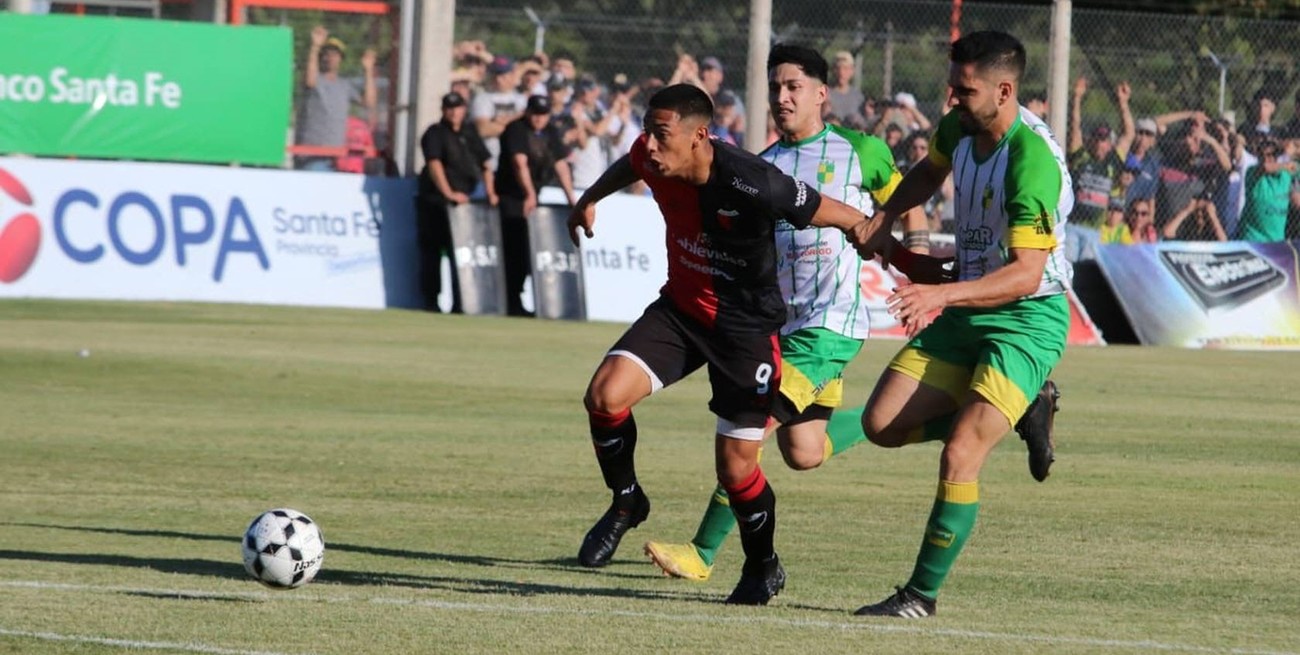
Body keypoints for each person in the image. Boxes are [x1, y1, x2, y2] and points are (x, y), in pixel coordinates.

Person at [566, 83, 882, 606]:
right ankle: (626, 501)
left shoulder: (751, 180)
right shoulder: (652, 156)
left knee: (737, 466)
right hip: (682, 312)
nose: (649, 145)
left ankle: (763, 567)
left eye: (661, 135)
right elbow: (630, 165)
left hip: (745, 331)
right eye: (647, 132)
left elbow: (831, 210)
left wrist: (874, 237)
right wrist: (588, 199)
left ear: (699, 137)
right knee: (604, 396)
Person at [639, 44, 940, 585]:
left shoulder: (861, 151)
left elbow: (902, 204)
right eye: (775, 87)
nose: (782, 97)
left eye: (793, 87)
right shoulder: (764, 166)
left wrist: (914, 268)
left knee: (748, 427)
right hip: (783, 325)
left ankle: (703, 552)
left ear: (822, 93)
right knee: (803, 451)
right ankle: (948, 416)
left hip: (831, 326)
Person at [846, 30, 1072, 618]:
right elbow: (927, 172)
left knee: (962, 453)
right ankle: (1021, 409)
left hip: (1025, 317)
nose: (952, 99)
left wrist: (941, 295)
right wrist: (885, 215)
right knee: (880, 424)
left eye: (964, 90)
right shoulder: (961, 126)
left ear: (1004, 90)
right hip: (968, 303)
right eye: (952, 86)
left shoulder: (1032, 163)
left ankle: (919, 596)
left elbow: (1025, 275)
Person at [495, 95, 577, 317]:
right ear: (527, 112)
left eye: (543, 115)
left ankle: (524, 301)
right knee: (514, 251)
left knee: (530, 251)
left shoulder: (550, 132)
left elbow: (560, 164)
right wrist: (529, 194)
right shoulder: (516, 130)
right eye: (535, 114)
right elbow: (519, 163)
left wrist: (572, 198)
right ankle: (511, 301)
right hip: (512, 197)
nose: (539, 119)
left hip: (533, 197)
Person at [414, 91, 496, 313]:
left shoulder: (470, 133)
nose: (453, 112)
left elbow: (486, 163)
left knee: (460, 255)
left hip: (463, 206)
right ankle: (431, 302)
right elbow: (435, 165)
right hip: (436, 202)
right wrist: (449, 193)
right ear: (443, 110)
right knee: (432, 253)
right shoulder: (434, 133)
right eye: (449, 108)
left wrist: (490, 192)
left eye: (457, 107)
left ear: (463, 109)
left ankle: (462, 303)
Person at [295, 26, 377, 172]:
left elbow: (368, 102)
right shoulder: (316, 80)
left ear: (341, 59)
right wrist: (315, 46)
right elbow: (309, 80)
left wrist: (368, 70)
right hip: (312, 155)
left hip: (337, 157)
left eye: (335, 54)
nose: (330, 58)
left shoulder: (344, 85)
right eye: (327, 54)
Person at [471, 55, 527, 171]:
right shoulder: (482, 98)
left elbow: (526, 129)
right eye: (495, 74)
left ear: (512, 75)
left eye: (503, 75)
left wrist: (500, 122)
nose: (498, 79)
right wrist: (516, 119)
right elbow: (483, 129)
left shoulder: (522, 100)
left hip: (516, 165)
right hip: (489, 165)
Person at [828, 50, 865, 127]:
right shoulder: (825, 94)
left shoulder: (858, 96)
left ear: (852, 71)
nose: (841, 73)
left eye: (845, 68)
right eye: (838, 68)